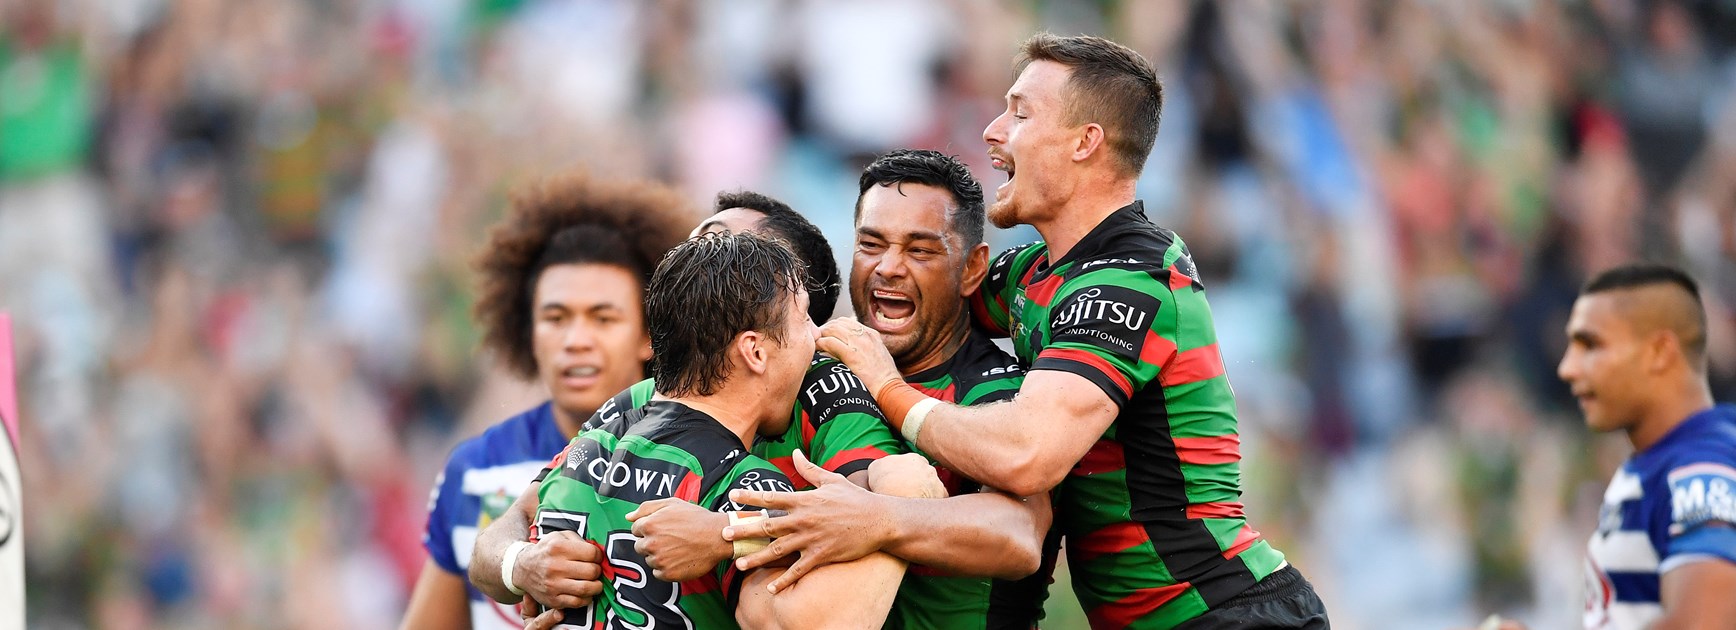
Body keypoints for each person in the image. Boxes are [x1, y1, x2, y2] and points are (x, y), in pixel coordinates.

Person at [813, 34, 1328, 628]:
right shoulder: (1036, 272)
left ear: (1086, 143)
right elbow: (919, 301)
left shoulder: (1131, 279)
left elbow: (1027, 455)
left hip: (1223, 613)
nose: (992, 130)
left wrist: (884, 387)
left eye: (1020, 112)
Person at [466, 190, 909, 610]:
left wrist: (726, 534)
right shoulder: (642, 400)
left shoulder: (828, 389)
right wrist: (521, 566)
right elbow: (505, 531)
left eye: (723, 248)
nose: (692, 258)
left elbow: (870, 517)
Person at [726, 149, 1054, 629]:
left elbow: (1019, 539)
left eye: (920, 250)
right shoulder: (797, 367)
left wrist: (874, 518)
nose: (889, 268)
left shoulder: (1002, 393)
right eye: (872, 244)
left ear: (971, 268)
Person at [401, 172, 694, 630]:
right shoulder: (475, 469)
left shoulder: (707, 457)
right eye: (555, 318)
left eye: (603, 317)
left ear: (650, 336)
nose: (576, 340)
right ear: (528, 334)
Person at [1556, 264, 1736, 629]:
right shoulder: (1659, 463)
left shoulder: (1700, 467)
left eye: (1590, 345)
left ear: (1659, 352)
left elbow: (1704, 624)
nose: (1568, 368)